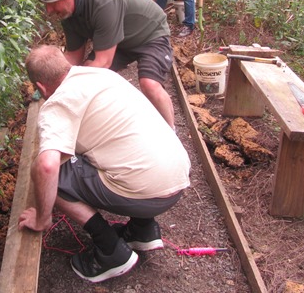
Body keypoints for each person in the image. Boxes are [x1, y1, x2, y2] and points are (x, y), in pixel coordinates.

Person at [19, 45, 191, 283]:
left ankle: (111, 251)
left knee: (48, 174)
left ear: (40, 87)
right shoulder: (102, 75)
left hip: (148, 194)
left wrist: (41, 217)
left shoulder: (57, 104)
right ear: (66, 64)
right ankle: (142, 230)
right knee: (117, 148)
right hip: (178, 178)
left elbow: (47, 166)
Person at [35, 0, 176, 129]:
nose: (49, 11)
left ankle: (171, 131)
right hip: (120, 40)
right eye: (46, 4)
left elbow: (103, 63)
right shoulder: (68, 14)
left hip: (150, 34)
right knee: (87, 67)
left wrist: (69, 88)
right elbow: (74, 57)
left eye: (52, 3)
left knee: (149, 84)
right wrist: (52, 81)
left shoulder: (102, 2)